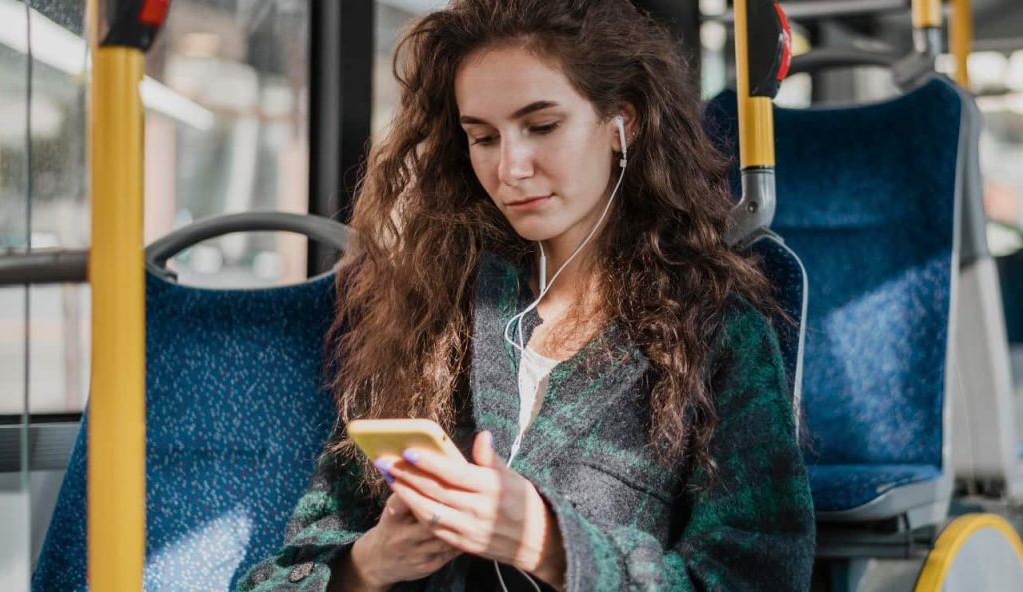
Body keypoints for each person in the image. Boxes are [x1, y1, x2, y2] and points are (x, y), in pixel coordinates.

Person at [236, 0, 815, 590]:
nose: (510, 167)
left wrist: (553, 547)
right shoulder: (426, 314)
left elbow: (756, 577)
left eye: (542, 126)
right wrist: (371, 562)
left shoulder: (717, 332)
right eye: (483, 137)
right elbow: (274, 578)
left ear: (624, 122)